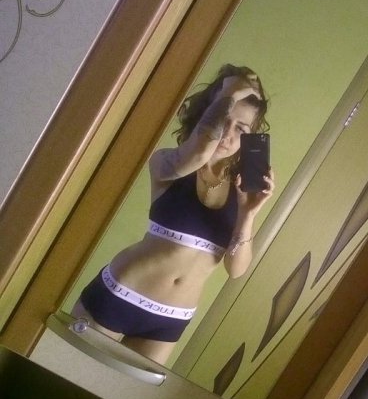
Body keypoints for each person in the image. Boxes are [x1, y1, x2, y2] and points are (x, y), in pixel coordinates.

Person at [71, 64, 275, 365]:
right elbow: (199, 153)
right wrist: (229, 94)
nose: (227, 134)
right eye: (224, 119)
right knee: (64, 379)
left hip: (171, 320)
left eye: (241, 129)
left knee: (115, 395)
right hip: (121, 293)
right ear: (208, 113)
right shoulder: (168, 163)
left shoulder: (242, 190)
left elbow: (236, 270)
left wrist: (248, 213)